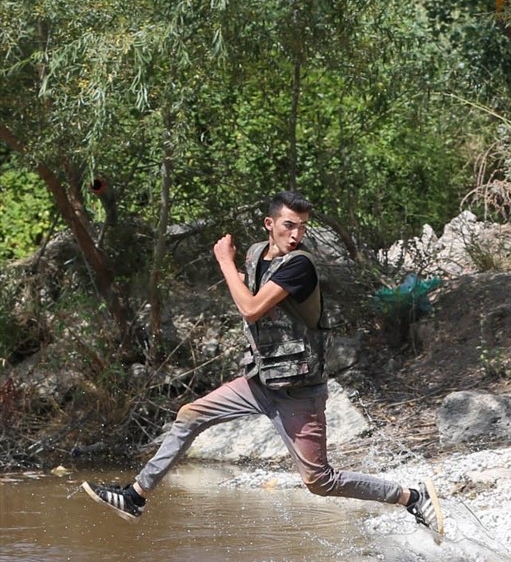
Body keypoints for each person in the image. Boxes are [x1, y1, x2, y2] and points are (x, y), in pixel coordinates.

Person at [83, 190, 440, 533]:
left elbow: (251, 308)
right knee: (190, 414)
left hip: (299, 390)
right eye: (289, 225)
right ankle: (136, 496)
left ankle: (411, 497)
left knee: (319, 481)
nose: (296, 234)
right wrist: (236, 271)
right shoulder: (257, 254)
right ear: (269, 224)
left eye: (302, 227)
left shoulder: (300, 266)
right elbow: (251, 289)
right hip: (259, 381)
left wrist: (224, 261)